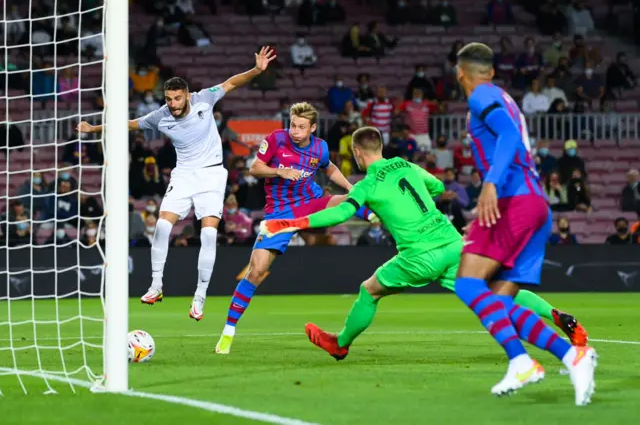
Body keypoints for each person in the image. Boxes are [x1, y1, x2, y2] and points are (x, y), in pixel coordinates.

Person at [261, 127, 587, 363]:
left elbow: (343, 212)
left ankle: (340, 344)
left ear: (359, 153)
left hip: (419, 254)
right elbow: (434, 186)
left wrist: (294, 222)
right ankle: (556, 315)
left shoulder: (368, 182)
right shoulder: (405, 164)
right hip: (452, 242)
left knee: (370, 290)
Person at [76, 46, 277, 321]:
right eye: (169, 98)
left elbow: (231, 82)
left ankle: (200, 297)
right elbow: (130, 124)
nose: (173, 103)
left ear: (187, 95)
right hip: (183, 174)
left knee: (207, 234)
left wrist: (256, 70)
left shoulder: (204, 99)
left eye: (177, 98)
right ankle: (156, 285)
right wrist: (94, 129)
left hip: (211, 174)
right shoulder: (161, 116)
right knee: (161, 225)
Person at [453, 42, 596, 405]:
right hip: (535, 206)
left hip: (513, 200)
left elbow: (509, 137)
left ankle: (524, 361)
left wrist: (490, 184)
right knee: (498, 305)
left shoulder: (480, 95)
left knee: (469, 285)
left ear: (460, 72)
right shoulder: (503, 95)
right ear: (490, 69)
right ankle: (571, 356)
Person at [214, 102, 377, 355]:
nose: (295, 131)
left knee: (350, 199)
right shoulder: (277, 140)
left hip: (311, 202)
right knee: (256, 272)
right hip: (279, 214)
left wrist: (348, 186)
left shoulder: (320, 147)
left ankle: (372, 215)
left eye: (301, 127)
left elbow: (329, 167)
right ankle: (227, 332)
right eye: (293, 125)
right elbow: (255, 168)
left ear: (312, 128)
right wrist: (281, 171)